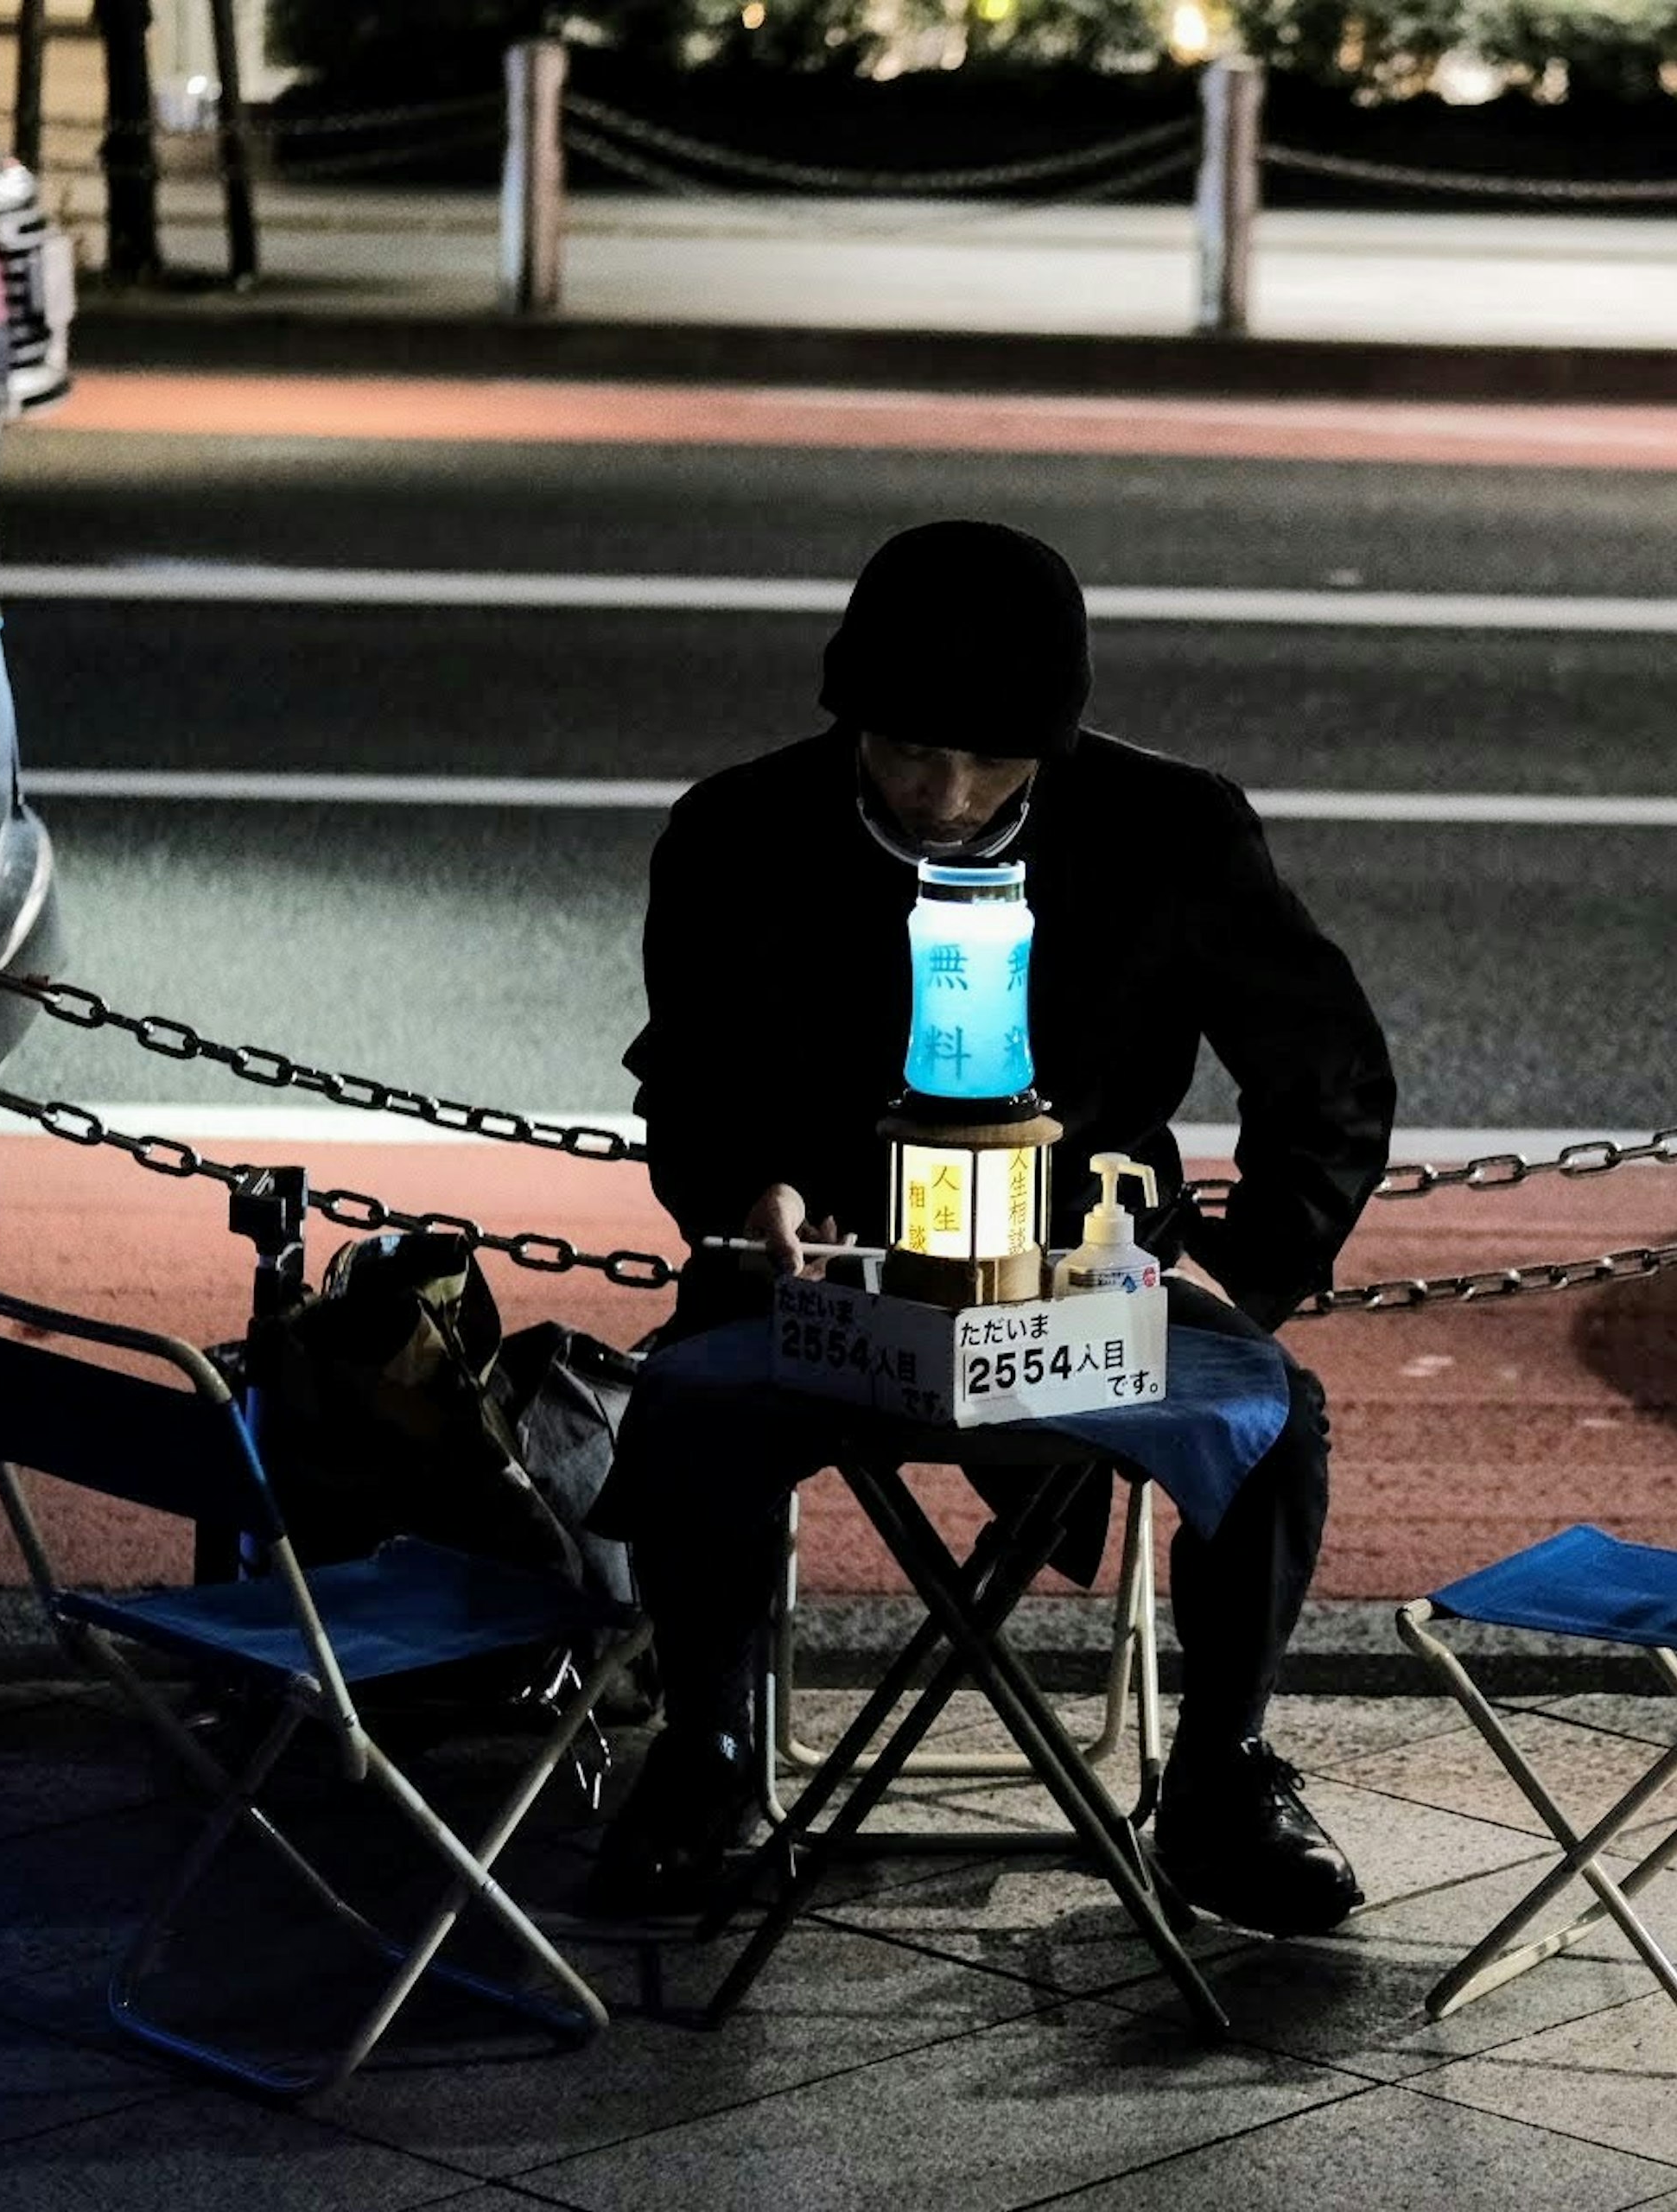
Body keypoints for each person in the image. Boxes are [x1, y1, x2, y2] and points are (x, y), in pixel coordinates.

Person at [585, 519, 1396, 1936]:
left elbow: (1324, 1069)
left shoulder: (1174, 834)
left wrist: (1239, 1272)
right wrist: (747, 1198)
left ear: (1057, 744)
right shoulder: (733, 834)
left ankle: (1223, 1772)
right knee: (686, 1410)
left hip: (1091, 1268)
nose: (945, 792)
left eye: (991, 760)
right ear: (849, 716)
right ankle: (709, 1755)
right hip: (821, 1267)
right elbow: (694, 1081)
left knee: (1277, 1420)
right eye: (906, 751)